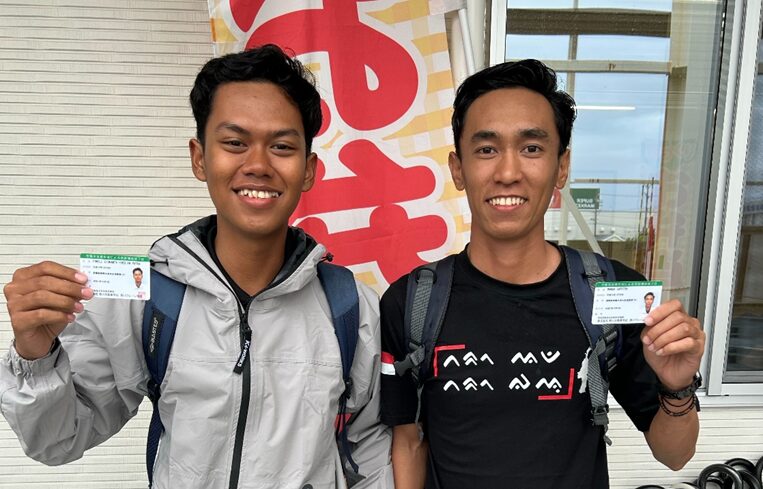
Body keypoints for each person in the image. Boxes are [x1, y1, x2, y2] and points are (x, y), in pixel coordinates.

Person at [1, 45, 392, 489]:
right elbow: (56, 440)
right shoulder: (149, 297)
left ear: (308, 170)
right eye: (235, 143)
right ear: (199, 158)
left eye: (282, 146)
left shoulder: (351, 308)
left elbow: (370, 451)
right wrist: (36, 354)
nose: (258, 165)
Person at [379, 59, 705, 489]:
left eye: (531, 148)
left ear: (561, 167)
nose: (508, 173)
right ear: (458, 169)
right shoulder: (411, 302)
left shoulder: (611, 293)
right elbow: (408, 443)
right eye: (486, 149)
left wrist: (677, 388)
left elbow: (675, 455)